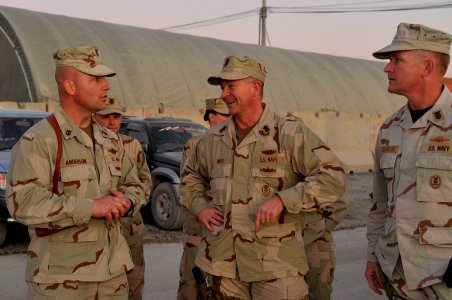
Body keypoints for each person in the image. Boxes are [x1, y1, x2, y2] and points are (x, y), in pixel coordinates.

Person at [180, 55, 346, 299]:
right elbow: (189, 176)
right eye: (222, 87)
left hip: (276, 267)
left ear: (255, 88)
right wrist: (200, 207)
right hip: (224, 265)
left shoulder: (290, 133)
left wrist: (283, 200)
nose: (224, 93)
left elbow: (333, 176)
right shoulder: (212, 139)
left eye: (231, 86)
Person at [6, 45, 146, 299]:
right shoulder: (39, 140)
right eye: (95, 79)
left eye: (105, 79)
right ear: (70, 87)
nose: (106, 86)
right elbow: (22, 203)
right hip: (62, 281)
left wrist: (128, 201)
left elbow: (135, 185)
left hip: (113, 277)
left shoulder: (111, 140)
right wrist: (91, 207)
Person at [365, 23, 452, 299]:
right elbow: (380, 201)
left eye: (396, 60)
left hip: (442, 277)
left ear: (427, 67)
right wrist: (372, 254)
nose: (387, 68)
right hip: (397, 273)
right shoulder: (389, 128)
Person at [94, 97, 153, 300]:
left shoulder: (131, 145)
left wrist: (129, 200)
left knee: (134, 281)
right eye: (105, 117)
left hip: (129, 226)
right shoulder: (87, 145)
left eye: (116, 117)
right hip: (98, 227)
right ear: (94, 117)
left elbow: (146, 182)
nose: (111, 122)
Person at [177, 97, 230, 300]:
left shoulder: (234, 143)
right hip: (199, 225)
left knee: (222, 283)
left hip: (224, 229)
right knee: (192, 280)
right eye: (224, 115)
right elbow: (189, 185)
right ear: (211, 117)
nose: (229, 119)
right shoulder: (196, 144)